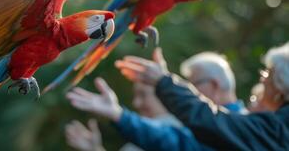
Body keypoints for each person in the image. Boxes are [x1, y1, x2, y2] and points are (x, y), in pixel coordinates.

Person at [114, 43, 289, 150]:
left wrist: (164, 82)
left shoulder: (276, 129)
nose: (262, 79)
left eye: (268, 74)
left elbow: (205, 123)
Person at [66, 51, 246, 151]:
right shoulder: (207, 127)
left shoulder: (237, 129)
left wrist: (118, 115)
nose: (186, 92)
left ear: (214, 85)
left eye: (191, 85)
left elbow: (172, 143)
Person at [66, 82, 182, 151]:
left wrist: (116, 113)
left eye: (143, 95)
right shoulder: (145, 135)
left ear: (166, 96)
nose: (136, 103)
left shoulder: (180, 136)